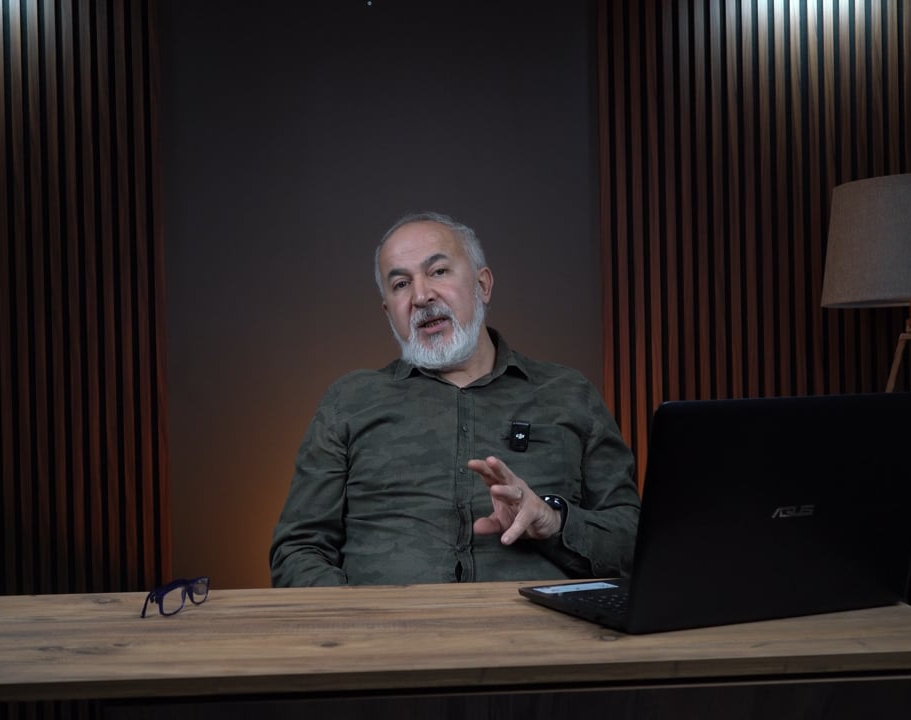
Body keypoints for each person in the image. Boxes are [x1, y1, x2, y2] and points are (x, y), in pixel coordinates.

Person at [269, 212, 640, 586]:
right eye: (400, 284)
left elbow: (634, 542)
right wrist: (357, 617)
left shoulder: (568, 393)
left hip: (537, 623)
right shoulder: (349, 401)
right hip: (386, 624)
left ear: (483, 285)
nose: (421, 296)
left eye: (438, 272)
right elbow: (298, 550)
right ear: (388, 311)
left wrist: (554, 521)